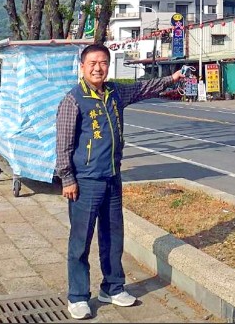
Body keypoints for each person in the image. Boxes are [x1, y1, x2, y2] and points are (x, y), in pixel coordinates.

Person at [56, 43, 192, 320]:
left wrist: (172, 79)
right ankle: (78, 296)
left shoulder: (115, 92)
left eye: (103, 62)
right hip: (85, 181)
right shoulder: (73, 100)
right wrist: (67, 178)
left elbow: (145, 88)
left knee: (113, 236)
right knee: (80, 241)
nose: (98, 67)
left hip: (112, 178)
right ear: (82, 67)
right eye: (92, 63)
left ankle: (112, 287)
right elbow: (63, 144)